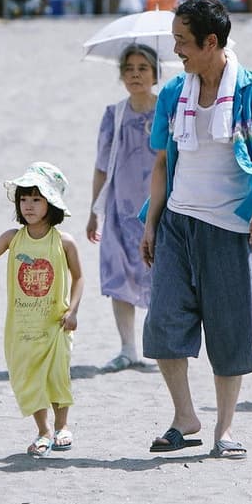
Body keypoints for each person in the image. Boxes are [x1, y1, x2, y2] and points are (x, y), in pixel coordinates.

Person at [138, 0, 252, 460]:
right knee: (163, 323)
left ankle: (224, 430)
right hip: (178, 223)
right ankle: (186, 417)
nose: (176, 49)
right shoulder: (172, 94)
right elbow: (162, 163)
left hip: (230, 227)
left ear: (211, 41)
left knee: (230, 330)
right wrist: (152, 225)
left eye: (183, 40)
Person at [0, 162, 84, 457]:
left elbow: (79, 277)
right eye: (24, 199)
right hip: (22, 326)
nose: (29, 206)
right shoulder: (12, 238)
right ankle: (43, 430)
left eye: (36, 199)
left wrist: (73, 312)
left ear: (51, 203)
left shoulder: (64, 242)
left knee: (58, 375)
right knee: (29, 377)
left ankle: (62, 426)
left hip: (55, 323)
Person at [86, 43, 159, 372]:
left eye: (143, 67)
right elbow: (102, 166)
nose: (135, 74)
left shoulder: (167, 112)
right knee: (119, 274)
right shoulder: (114, 114)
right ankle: (128, 347)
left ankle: (160, 346)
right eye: (129, 68)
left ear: (155, 73)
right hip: (119, 208)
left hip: (158, 208)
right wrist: (93, 212)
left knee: (161, 276)